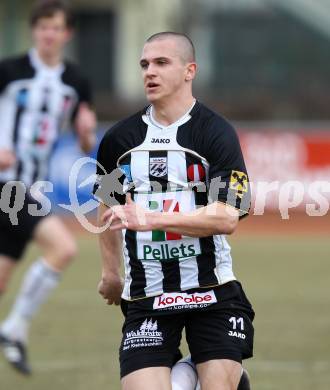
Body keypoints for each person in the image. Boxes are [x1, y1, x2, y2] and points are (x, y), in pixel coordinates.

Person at [95, 32, 254, 390]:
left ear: (189, 70)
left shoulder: (217, 134)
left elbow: (228, 217)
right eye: (145, 64)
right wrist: (110, 273)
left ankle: (223, 370)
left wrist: (149, 218)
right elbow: (106, 207)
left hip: (212, 292)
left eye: (161, 63)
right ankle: (208, 368)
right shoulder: (118, 141)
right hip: (146, 296)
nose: (149, 72)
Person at [0, 0, 96, 375]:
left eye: (56, 27)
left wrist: (86, 133)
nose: (48, 34)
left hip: (32, 188)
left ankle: (13, 328)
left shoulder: (76, 82)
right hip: (7, 185)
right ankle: (13, 329)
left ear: (67, 33)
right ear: (34, 31)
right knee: (64, 247)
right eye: (42, 27)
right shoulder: (9, 71)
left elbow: (85, 143)